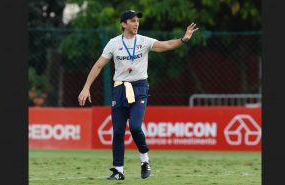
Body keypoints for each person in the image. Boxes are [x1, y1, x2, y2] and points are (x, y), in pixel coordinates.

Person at [78, 10, 199, 180]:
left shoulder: (144, 41)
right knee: (118, 131)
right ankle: (119, 171)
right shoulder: (113, 43)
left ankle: (145, 160)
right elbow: (98, 66)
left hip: (139, 87)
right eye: (132, 21)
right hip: (119, 89)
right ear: (123, 24)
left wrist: (183, 39)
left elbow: (166, 45)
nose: (136, 23)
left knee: (135, 126)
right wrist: (86, 87)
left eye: (137, 21)